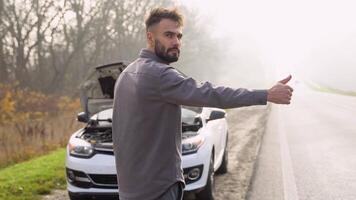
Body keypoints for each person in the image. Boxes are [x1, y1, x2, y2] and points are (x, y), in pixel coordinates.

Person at [112, 7, 293, 200]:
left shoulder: (126, 74)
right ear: (150, 37)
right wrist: (265, 94)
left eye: (179, 36)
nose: (176, 42)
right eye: (168, 35)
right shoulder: (159, 75)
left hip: (130, 189)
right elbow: (211, 94)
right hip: (158, 189)